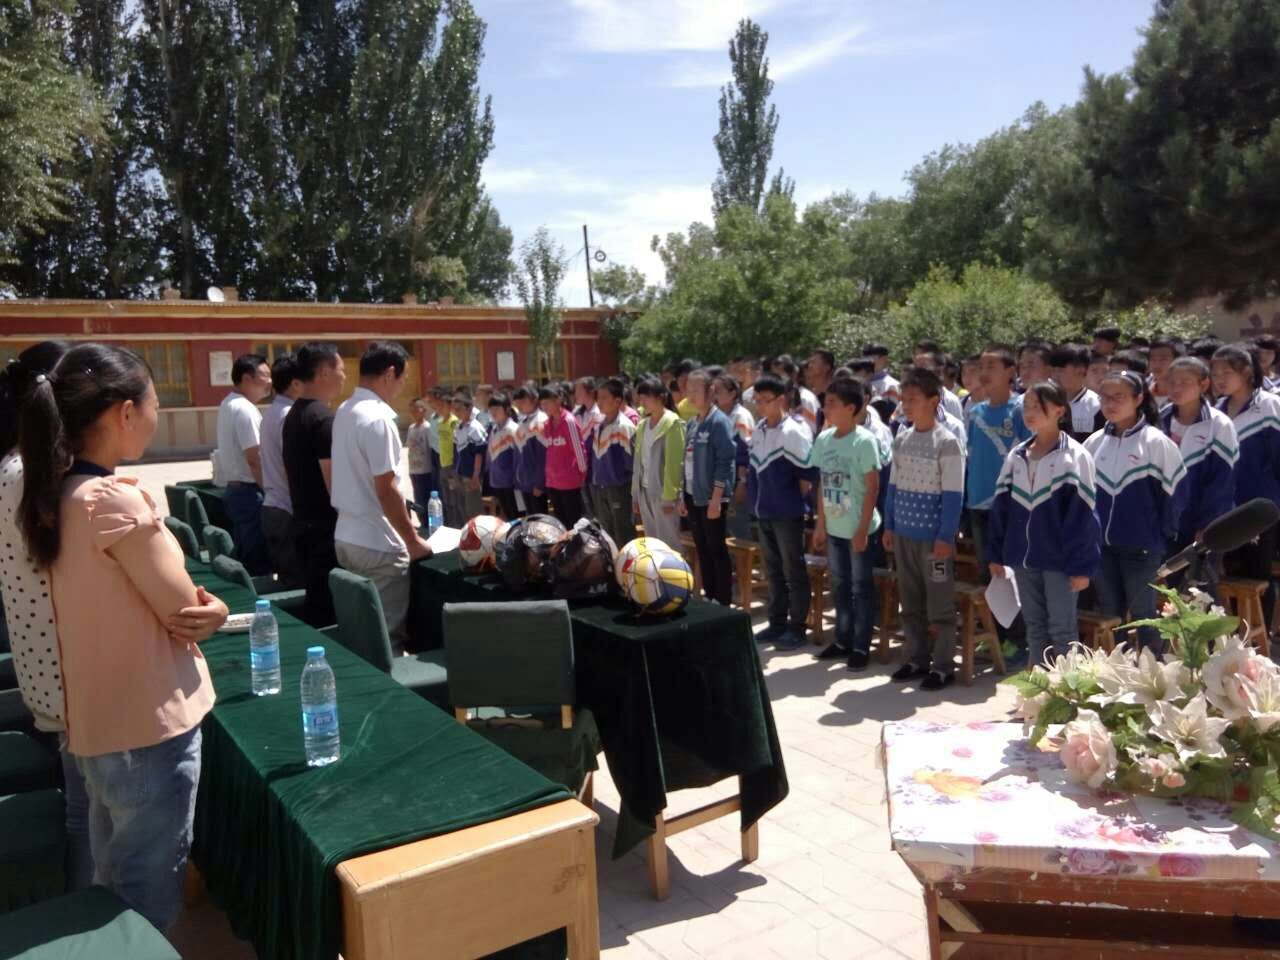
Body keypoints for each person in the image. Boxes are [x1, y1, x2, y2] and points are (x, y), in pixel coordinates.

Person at [19, 343, 226, 932]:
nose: (157, 416)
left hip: (100, 725)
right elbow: (185, 609)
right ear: (124, 412)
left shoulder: (62, 493)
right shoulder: (111, 501)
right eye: (154, 404)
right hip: (147, 727)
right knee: (147, 896)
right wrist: (215, 610)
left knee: (115, 879)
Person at [0, 340, 98, 893]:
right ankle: (88, 913)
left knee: (81, 803)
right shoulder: (40, 474)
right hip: (67, 667)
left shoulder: (12, 464)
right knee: (88, 810)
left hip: (41, 661)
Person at [987, 381, 1101, 667]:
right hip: (1023, 559)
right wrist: (996, 553)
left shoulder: (1075, 456)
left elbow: (1084, 517)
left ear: (1059, 410)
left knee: (1062, 631)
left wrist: (1081, 566)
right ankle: (1039, 686)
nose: (1030, 413)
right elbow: (1000, 508)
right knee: (1035, 628)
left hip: (1060, 562)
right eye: (1026, 406)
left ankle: (1066, 689)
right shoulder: (1017, 455)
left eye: (1038, 407)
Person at [332, 342, 431, 655]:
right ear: (389, 374)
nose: (402, 386)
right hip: (378, 544)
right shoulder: (378, 418)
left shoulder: (344, 411)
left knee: (359, 635)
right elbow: (386, 488)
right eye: (403, 379)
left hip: (347, 536)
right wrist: (412, 540)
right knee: (386, 643)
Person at [1084, 370, 1187, 653]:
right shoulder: (1093, 443)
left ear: (1138, 399)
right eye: (1105, 397)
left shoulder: (1156, 442)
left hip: (1142, 548)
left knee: (1144, 614)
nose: (1110, 403)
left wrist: (1159, 535)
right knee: (1110, 613)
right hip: (1102, 548)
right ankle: (1117, 669)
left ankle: (1151, 670)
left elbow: (1177, 493)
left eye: (1119, 397)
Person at [885, 368, 965, 690]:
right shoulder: (902, 438)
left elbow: (953, 495)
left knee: (939, 605)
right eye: (903, 399)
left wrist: (945, 536)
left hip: (934, 542)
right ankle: (916, 658)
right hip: (904, 536)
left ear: (933, 401)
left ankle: (943, 666)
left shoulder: (947, 443)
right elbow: (893, 487)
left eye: (913, 399)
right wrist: (889, 525)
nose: (906, 405)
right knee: (910, 602)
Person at [812, 378, 883, 670]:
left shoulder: (864, 441)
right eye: (825, 402)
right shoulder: (824, 439)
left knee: (861, 587)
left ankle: (861, 646)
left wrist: (862, 530)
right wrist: (820, 524)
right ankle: (842, 640)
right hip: (834, 528)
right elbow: (822, 483)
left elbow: (873, 488)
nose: (825, 407)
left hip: (858, 529)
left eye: (832, 403)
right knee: (839, 585)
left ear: (851, 408)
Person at [747, 374, 817, 650]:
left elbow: (808, 475)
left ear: (781, 400)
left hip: (787, 514)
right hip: (763, 511)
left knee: (793, 570)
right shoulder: (759, 429)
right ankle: (776, 623)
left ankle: (797, 627)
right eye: (757, 401)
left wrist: (793, 502)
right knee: (773, 570)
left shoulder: (793, 432)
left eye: (765, 400)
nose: (760, 406)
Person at [1213, 343, 1280, 627]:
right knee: (1228, 573)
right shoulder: (1216, 410)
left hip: (1260, 507)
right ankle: (1233, 637)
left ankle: (1258, 639)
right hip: (1225, 508)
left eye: (1227, 373)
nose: (1220, 379)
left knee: (1257, 573)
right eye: (1215, 373)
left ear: (1247, 372)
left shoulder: (1269, 405)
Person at [283, 342, 346, 627]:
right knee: (328, 614)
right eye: (340, 369)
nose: (344, 376)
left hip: (304, 524)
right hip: (324, 532)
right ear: (324, 372)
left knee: (317, 607)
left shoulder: (295, 413)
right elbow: (335, 486)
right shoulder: (322, 418)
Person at [1159, 356, 1237, 588]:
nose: (1177, 388)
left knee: (1199, 591)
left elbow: (1222, 481)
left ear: (1203, 384)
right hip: (1166, 523)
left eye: (1185, 382)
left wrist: (1208, 526)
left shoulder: (1219, 424)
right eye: (1172, 382)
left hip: (1200, 524)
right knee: (1170, 588)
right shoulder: (1160, 418)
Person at [680, 369, 737, 605]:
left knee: (716, 549)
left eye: (696, 390)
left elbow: (725, 462)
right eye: (688, 390)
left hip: (712, 498)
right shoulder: (692, 423)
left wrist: (716, 498)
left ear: (710, 391)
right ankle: (710, 595)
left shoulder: (719, 422)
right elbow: (686, 461)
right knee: (702, 548)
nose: (690, 395)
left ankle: (722, 600)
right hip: (693, 496)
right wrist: (682, 495)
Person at [214, 353, 272, 574]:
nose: (270, 382)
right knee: (257, 563)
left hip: (237, 491)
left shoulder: (228, 403)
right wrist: (270, 491)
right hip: (250, 493)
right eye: (265, 375)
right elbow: (254, 458)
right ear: (247, 378)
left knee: (247, 555)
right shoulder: (245, 409)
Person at [260, 354, 303, 587]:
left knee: (287, 578)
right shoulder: (289, 416)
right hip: (287, 508)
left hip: (273, 504)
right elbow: (291, 467)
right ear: (295, 383)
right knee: (296, 581)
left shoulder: (271, 413)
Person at [631, 377, 685, 550]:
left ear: (661, 397)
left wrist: (670, 497)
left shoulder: (673, 423)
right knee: (652, 542)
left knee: (669, 544)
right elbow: (638, 462)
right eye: (640, 398)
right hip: (645, 490)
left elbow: (675, 464)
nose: (642, 402)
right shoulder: (642, 425)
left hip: (663, 493)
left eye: (646, 397)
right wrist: (636, 494)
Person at [587, 378, 636, 548]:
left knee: (623, 534)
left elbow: (632, 463)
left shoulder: (624, 427)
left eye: (604, 398)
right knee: (607, 535)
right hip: (600, 487)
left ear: (617, 401)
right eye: (598, 397)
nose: (599, 402)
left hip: (619, 488)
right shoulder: (598, 424)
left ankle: (627, 564)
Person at [538, 384, 588, 525]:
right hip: (553, 482)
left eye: (547, 403)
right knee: (561, 523)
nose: (544, 407)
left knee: (574, 523)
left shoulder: (569, 421)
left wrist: (582, 474)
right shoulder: (547, 424)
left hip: (569, 482)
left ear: (558, 400)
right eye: (542, 404)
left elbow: (579, 450)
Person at [714, 374, 755, 542]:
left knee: (737, 530)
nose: (714, 394)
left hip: (736, 482)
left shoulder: (741, 416)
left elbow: (747, 452)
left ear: (732, 394)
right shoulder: (716, 415)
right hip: (720, 481)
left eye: (718, 391)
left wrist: (742, 482)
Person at [1050, 344, 1105, 443]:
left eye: (1060, 370)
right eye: (1053, 370)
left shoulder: (1097, 406)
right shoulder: (1044, 401)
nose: (1055, 375)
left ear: (1081, 370)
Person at [452, 390, 488, 522]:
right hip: (461, 473)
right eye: (455, 409)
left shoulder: (475, 428)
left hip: (471, 475)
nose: (456, 412)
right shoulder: (458, 427)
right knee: (464, 508)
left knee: (474, 509)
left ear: (469, 409)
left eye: (459, 409)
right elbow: (457, 451)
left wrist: (476, 476)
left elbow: (479, 454)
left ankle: (477, 533)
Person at [513, 385, 549, 516]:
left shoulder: (540, 421)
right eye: (517, 402)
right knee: (530, 518)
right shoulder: (523, 422)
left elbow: (543, 457)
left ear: (534, 399)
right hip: (525, 481)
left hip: (535, 483)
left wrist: (540, 483)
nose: (519, 405)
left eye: (523, 401)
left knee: (540, 519)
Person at [486, 392, 520, 520]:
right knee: (506, 514)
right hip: (497, 481)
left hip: (511, 483)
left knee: (516, 515)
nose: (493, 412)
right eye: (491, 409)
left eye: (497, 408)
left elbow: (519, 458)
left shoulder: (513, 429)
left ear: (506, 409)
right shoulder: (494, 429)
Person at [431, 386, 461, 526]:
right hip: (442, 464)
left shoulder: (454, 421)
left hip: (451, 465)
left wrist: (454, 465)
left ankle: (457, 524)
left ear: (450, 407)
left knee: (455, 497)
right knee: (446, 497)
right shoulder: (440, 423)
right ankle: (449, 523)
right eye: (438, 406)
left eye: (442, 406)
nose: (439, 409)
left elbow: (456, 444)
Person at [406, 398, 434, 531]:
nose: (413, 412)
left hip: (425, 469)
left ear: (423, 410)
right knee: (417, 496)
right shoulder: (411, 428)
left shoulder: (427, 428)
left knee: (424, 496)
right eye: (411, 410)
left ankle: (427, 523)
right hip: (413, 469)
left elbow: (431, 448)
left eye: (416, 409)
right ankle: (422, 521)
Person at [1148, 337, 1183, 407]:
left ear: (1178, 360)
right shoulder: (1144, 394)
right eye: (1153, 359)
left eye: (1163, 359)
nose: (1157, 364)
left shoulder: (1186, 396)